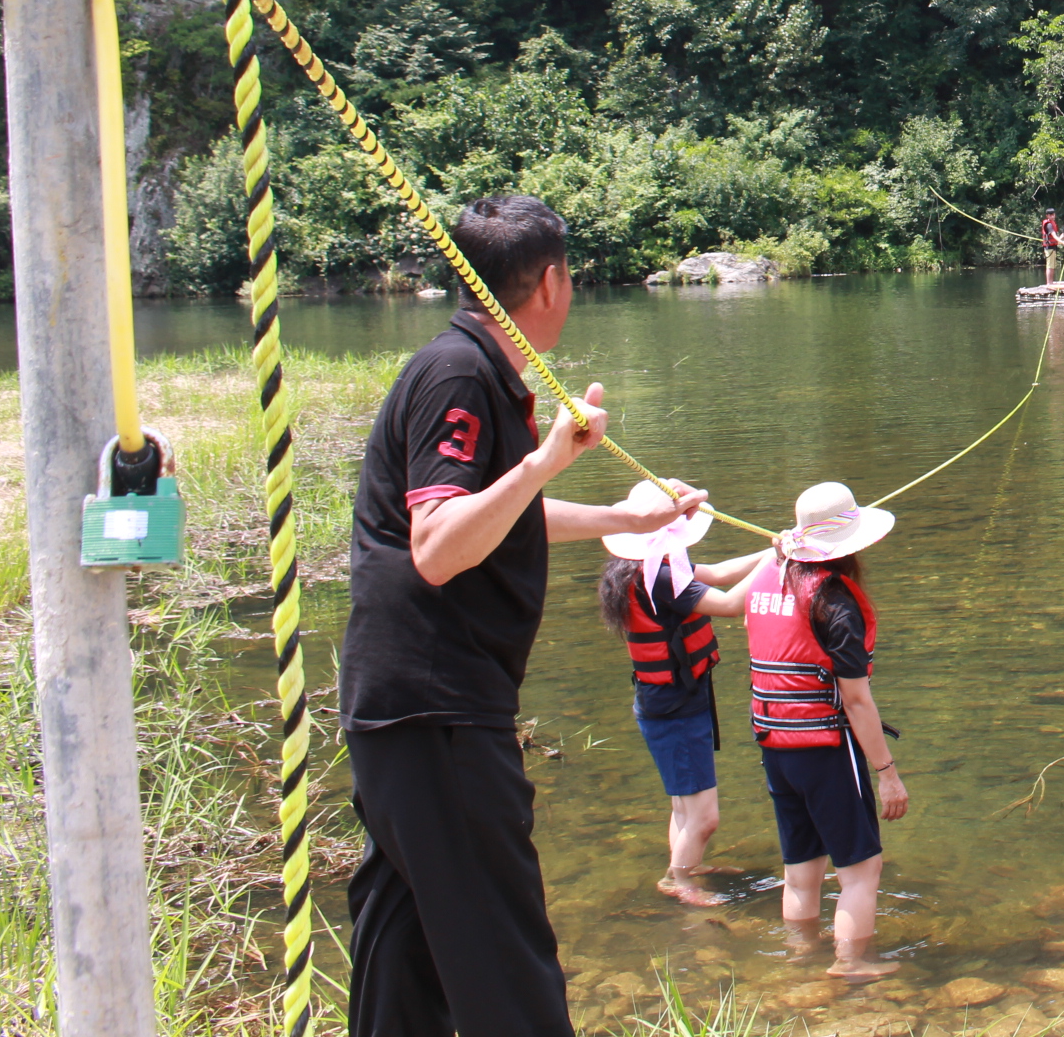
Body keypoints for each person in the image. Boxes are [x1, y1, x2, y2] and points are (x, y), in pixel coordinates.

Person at [340, 193, 708, 1037]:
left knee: (403, 953)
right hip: (436, 707)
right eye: (570, 274)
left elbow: (491, 523)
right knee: (508, 961)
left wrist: (629, 518)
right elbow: (438, 545)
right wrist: (545, 460)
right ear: (549, 280)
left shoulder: (478, 369)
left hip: (404, 707)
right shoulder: (460, 374)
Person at [729, 481, 911, 980]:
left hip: (775, 747)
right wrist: (888, 772)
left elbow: (726, 600)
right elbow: (855, 699)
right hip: (826, 747)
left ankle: (800, 959)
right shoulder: (837, 604)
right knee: (861, 870)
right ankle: (851, 966)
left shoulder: (768, 577)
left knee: (802, 868)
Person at [596, 481, 773, 906]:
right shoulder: (660, 577)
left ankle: (683, 867)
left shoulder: (646, 567)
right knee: (704, 818)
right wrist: (776, 564)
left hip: (666, 699)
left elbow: (719, 574)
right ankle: (680, 882)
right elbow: (731, 602)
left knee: (683, 807)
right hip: (674, 704)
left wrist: (773, 551)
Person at [1039, 209, 1064, 287]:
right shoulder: (1049, 225)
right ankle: (1049, 283)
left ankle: (1050, 282)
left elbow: (1055, 238)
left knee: (1052, 265)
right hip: (1049, 247)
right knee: (1050, 265)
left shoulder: (1052, 223)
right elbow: (1054, 236)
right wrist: (1063, 243)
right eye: (1050, 214)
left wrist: (1060, 241)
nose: (1052, 216)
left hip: (1052, 246)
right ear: (1047, 215)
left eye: (1053, 214)